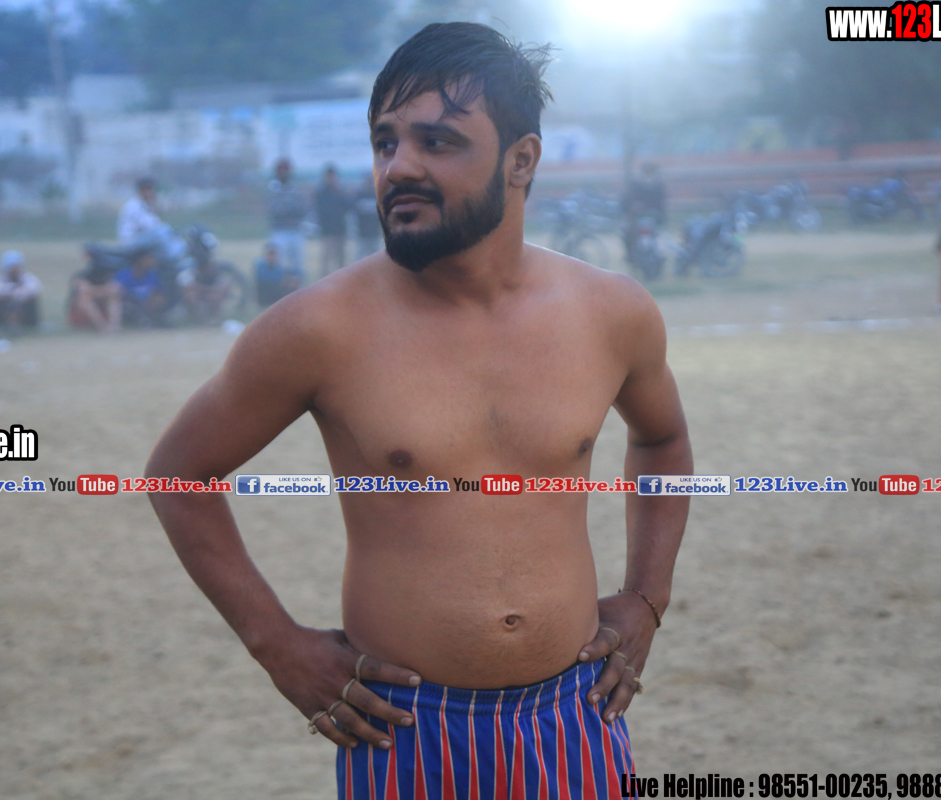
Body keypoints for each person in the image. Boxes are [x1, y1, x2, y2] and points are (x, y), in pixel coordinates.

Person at [146, 23, 691, 800]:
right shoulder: (320, 328)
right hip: (404, 732)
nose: (398, 167)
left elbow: (663, 438)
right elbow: (178, 474)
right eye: (385, 142)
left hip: (577, 715)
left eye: (438, 142)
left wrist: (646, 598)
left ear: (521, 160)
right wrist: (277, 644)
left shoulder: (611, 313)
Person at [267, 158, 308, 274]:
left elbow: (301, 208)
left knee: (297, 263)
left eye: (285, 170)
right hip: (279, 231)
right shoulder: (272, 188)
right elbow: (275, 209)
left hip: (295, 230)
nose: (283, 173)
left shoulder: (296, 189)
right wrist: (289, 207)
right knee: (279, 262)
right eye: (281, 170)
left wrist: (287, 207)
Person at [0, 250, 42, 333]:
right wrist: (11, 291)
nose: (14, 270)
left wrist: (18, 294)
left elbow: (35, 288)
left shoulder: (27, 278)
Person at [115, 248, 171, 328]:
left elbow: (157, 291)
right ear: (139, 260)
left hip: (148, 304)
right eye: (148, 259)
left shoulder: (152, 275)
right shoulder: (124, 275)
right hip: (129, 304)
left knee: (159, 300)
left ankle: (154, 322)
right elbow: (117, 291)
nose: (152, 261)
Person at [315, 164, 352, 277]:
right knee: (326, 258)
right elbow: (320, 209)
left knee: (340, 258)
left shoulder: (341, 191)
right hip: (327, 230)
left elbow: (348, 206)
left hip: (340, 229)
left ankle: (341, 279)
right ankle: (325, 280)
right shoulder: (321, 193)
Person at [69, 258, 122, 333]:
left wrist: (96, 291)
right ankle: (102, 326)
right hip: (79, 312)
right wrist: (101, 291)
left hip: (101, 308)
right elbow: (84, 290)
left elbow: (115, 289)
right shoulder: (82, 277)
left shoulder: (107, 279)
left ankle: (114, 326)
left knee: (113, 298)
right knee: (85, 299)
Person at [177, 257, 232, 325]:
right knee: (191, 295)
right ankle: (199, 320)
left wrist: (202, 289)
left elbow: (222, 288)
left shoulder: (219, 275)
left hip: (210, 296)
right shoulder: (190, 274)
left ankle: (214, 319)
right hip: (197, 297)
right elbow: (187, 288)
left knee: (215, 296)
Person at [118, 178, 169, 246]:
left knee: (164, 232)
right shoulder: (133, 205)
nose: (152, 193)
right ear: (141, 190)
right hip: (131, 241)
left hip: (140, 238)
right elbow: (150, 226)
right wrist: (153, 206)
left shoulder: (145, 204)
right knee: (163, 231)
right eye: (149, 189)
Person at [252, 242, 302, 307]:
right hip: (266, 296)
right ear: (264, 255)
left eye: (275, 254)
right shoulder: (261, 266)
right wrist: (287, 279)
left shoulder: (277, 266)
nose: (272, 256)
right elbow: (269, 279)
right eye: (270, 254)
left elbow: (296, 272)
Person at [621, 161, 667, 227]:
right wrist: (633, 206)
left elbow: (661, 201)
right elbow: (628, 198)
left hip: (654, 213)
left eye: (651, 171)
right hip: (637, 213)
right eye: (647, 171)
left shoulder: (659, 186)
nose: (648, 173)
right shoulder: (635, 184)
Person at [353, 172, 383, 259]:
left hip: (374, 232)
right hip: (362, 233)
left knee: (376, 258)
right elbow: (354, 212)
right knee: (360, 257)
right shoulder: (359, 195)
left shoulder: (377, 195)